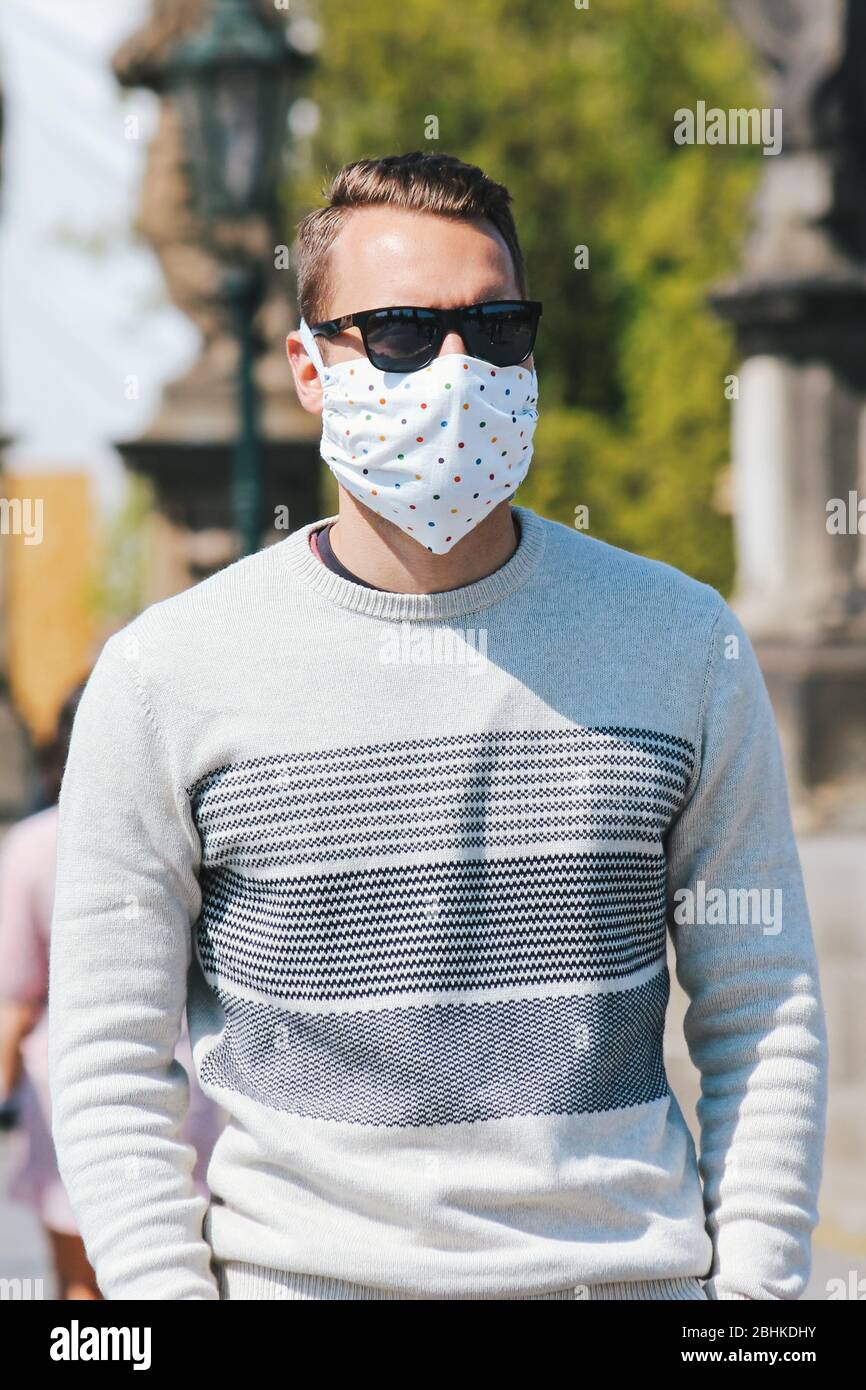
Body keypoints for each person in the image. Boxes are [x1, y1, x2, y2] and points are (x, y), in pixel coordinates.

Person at [49, 151, 828, 1302]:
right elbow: (109, 1056)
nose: (458, 368)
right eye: (403, 333)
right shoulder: (168, 673)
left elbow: (762, 1005)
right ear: (309, 369)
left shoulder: (680, 641)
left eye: (497, 328)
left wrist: (752, 1309)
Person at [0, 682, 223, 1298]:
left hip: (79, 1095)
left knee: (84, 1286)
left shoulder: (34, 844)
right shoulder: (192, 820)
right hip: (196, 1088)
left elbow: (15, 999)